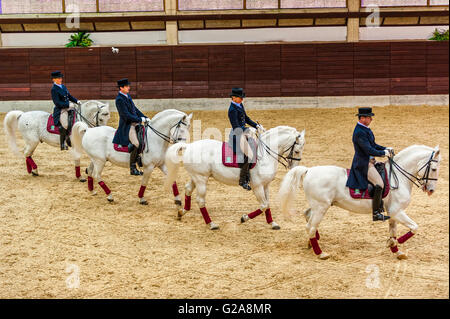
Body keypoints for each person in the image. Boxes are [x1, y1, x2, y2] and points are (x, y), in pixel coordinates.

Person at [346, 107, 393, 221]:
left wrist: (385, 148)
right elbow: (368, 150)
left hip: (370, 160)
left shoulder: (365, 129)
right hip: (363, 163)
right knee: (379, 184)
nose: (371, 119)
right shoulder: (359, 132)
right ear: (362, 118)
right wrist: (383, 153)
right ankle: (376, 213)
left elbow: (373, 145)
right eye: (369, 117)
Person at [228, 88, 264, 191]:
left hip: (243, 132)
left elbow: (246, 118)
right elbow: (236, 127)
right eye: (240, 98)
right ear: (234, 98)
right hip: (237, 134)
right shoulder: (232, 110)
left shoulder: (239, 105)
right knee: (249, 154)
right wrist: (248, 129)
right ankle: (243, 180)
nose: (242, 100)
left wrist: (256, 125)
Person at [112, 78, 149, 176]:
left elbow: (135, 109)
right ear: (121, 88)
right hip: (128, 125)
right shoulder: (119, 99)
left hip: (135, 122)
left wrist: (144, 117)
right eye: (127, 86)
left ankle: (139, 158)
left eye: (128, 86)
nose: (129, 87)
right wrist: (140, 120)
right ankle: (133, 168)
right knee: (136, 143)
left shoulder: (127, 95)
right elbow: (126, 116)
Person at [51, 71, 81, 150]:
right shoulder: (54, 89)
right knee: (65, 124)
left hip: (68, 106)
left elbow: (69, 96)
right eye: (58, 78)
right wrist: (68, 105)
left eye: (60, 78)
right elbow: (57, 103)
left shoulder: (63, 86)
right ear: (53, 80)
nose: (60, 79)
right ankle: (62, 144)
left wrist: (76, 101)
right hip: (61, 109)